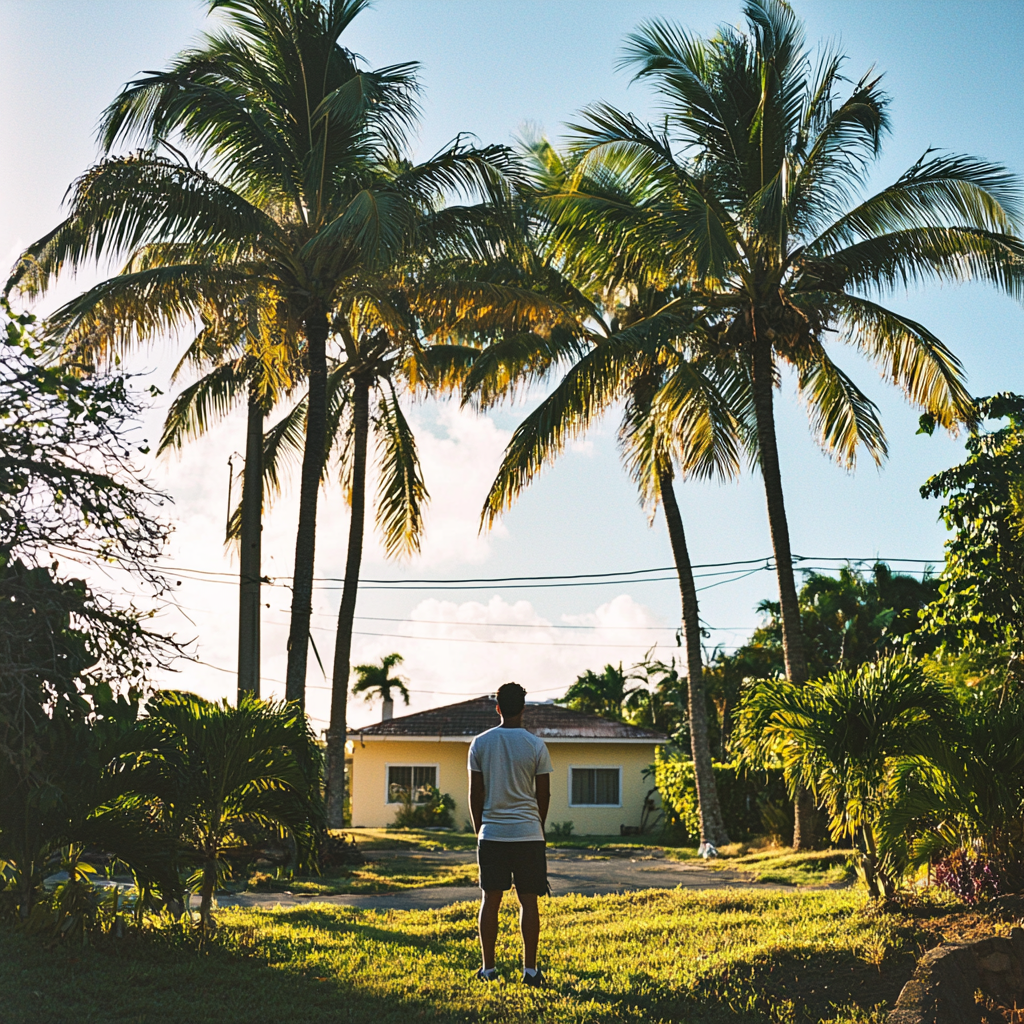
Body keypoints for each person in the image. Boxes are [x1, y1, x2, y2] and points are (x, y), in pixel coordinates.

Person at [468, 681, 552, 986]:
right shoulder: (536, 745)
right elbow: (544, 795)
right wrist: (536, 826)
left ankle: (488, 969)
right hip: (529, 834)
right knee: (529, 903)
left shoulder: (480, 743)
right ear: (524, 709)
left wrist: (481, 830)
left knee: (490, 900)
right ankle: (530, 971)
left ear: (498, 708)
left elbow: (475, 794)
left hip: (492, 835)